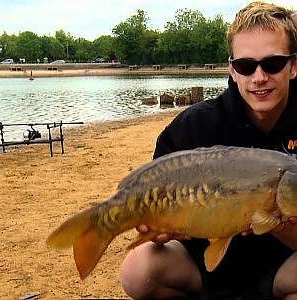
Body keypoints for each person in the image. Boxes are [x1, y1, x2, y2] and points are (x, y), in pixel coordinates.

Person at [121, 2, 297, 299]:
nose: (259, 77)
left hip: (282, 270)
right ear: (232, 69)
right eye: (246, 65)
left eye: (272, 63)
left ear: (293, 66)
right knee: (139, 270)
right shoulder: (193, 127)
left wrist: (276, 222)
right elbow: (154, 214)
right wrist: (158, 227)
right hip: (201, 270)